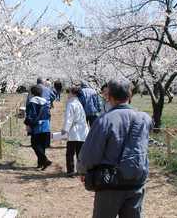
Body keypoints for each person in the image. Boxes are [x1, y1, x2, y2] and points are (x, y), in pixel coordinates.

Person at [78, 78, 152, 218]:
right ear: (130, 96)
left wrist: (83, 170)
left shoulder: (105, 119)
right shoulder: (144, 119)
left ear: (109, 96)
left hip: (109, 182)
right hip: (135, 181)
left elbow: (91, 152)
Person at [61, 86, 89, 177]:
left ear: (73, 93)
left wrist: (65, 129)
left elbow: (69, 118)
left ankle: (70, 171)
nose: (67, 94)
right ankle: (80, 170)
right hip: (82, 130)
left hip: (74, 130)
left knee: (70, 152)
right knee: (80, 152)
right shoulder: (78, 103)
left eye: (68, 92)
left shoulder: (71, 104)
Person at [24, 85, 52, 170]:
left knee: (35, 144)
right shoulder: (46, 102)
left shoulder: (32, 101)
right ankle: (41, 164)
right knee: (42, 145)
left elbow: (30, 115)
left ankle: (45, 160)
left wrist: (28, 124)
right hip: (46, 125)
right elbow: (49, 114)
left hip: (37, 126)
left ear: (32, 93)